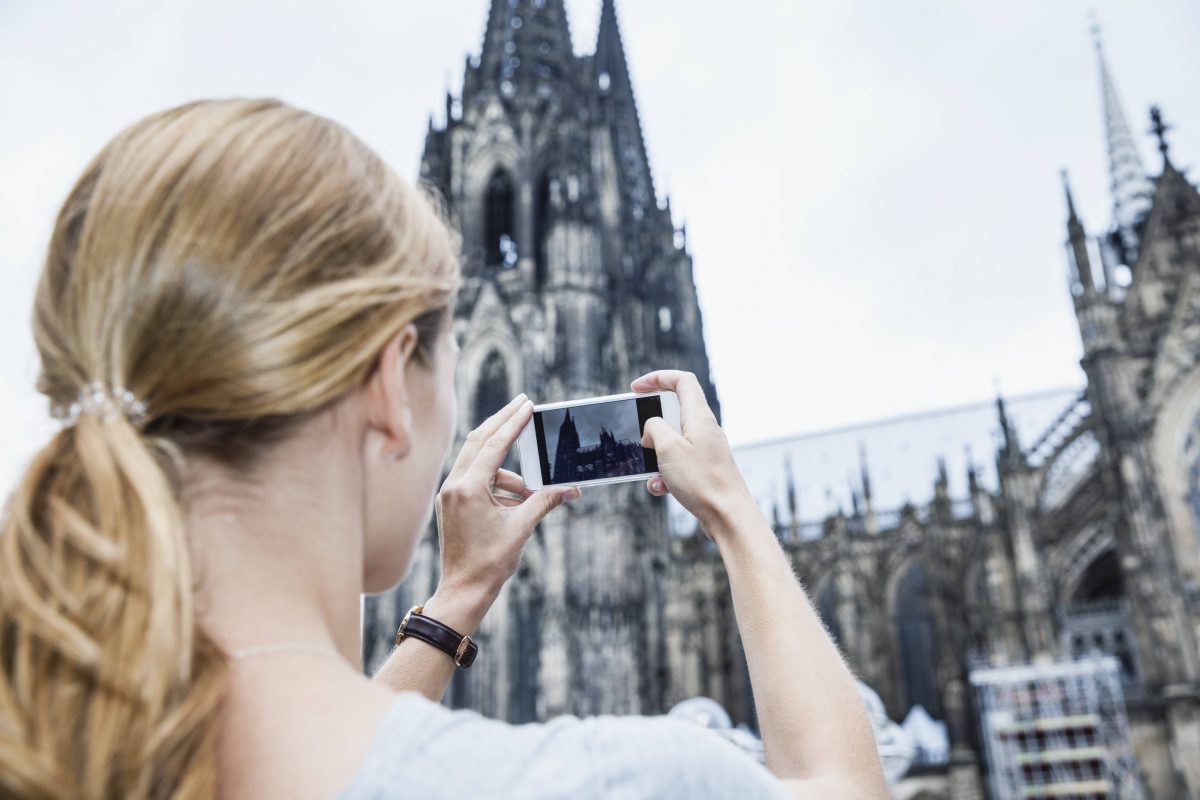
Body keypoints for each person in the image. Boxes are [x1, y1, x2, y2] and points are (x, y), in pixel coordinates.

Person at [0, 99, 888, 800]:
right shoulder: (621, 780)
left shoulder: (65, 745)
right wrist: (733, 514)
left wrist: (458, 596)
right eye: (457, 358)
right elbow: (848, 789)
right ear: (391, 383)